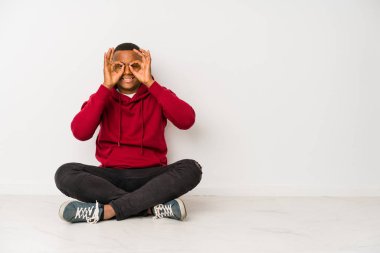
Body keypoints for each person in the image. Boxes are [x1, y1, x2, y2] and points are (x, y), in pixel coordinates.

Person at [54, 43, 203, 224]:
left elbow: (187, 121)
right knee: (64, 173)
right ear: (109, 68)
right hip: (110, 178)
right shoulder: (102, 97)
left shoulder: (158, 94)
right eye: (119, 66)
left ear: (145, 66)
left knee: (192, 168)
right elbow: (80, 132)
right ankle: (150, 207)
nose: (127, 72)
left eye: (135, 65)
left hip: (152, 177)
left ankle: (107, 211)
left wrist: (151, 83)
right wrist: (106, 86)